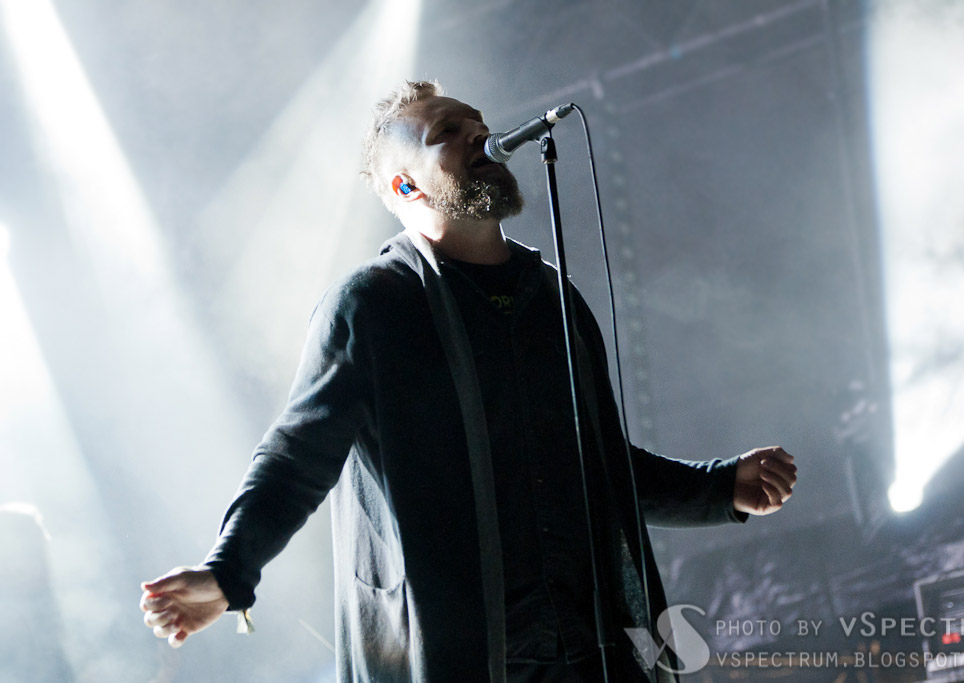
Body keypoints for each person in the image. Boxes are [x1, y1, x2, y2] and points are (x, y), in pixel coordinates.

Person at [140, 81, 797, 682]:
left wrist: (718, 488)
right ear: (405, 186)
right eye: (447, 132)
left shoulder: (554, 300)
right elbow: (296, 459)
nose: (479, 133)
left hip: (591, 654)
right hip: (466, 660)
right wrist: (228, 571)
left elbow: (596, 466)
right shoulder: (371, 307)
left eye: (477, 122)